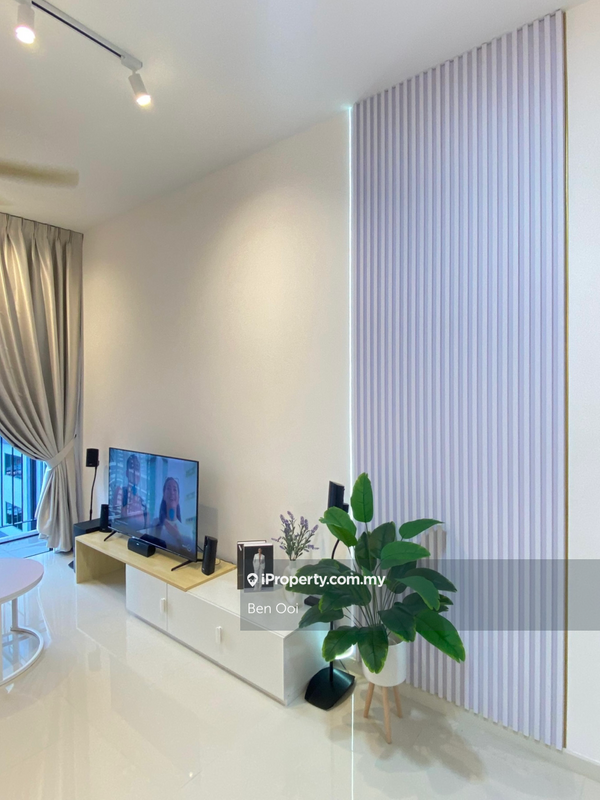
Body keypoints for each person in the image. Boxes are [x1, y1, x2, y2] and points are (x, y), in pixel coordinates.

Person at [149, 477, 194, 557]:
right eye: (168, 489)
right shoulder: (155, 523)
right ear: (164, 495)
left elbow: (189, 555)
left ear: (178, 498)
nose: (172, 492)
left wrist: (177, 537)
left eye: (175, 489)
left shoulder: (187, 531)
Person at [111, 454, 147, 531]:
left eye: (137, 468)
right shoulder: (120, 492)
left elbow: (147, 529)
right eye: (132, 467)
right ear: (127, 473)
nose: (134, 472)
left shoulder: (143, 502)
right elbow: (116, 521)